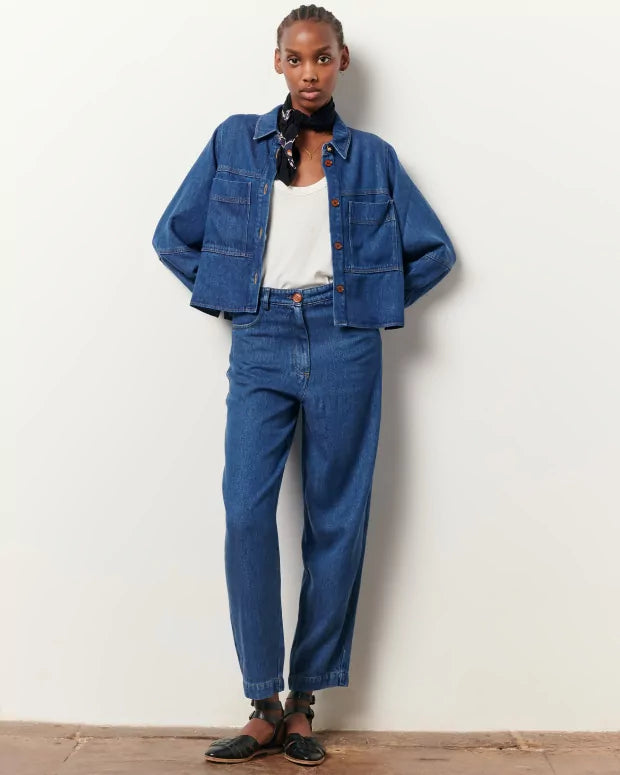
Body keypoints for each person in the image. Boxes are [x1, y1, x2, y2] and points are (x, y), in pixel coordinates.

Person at [152, 4, 456, 767]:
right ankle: (261, 701)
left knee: (336, 521)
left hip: (344, 338)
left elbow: (435, 251)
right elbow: (172, 235)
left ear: (342, 61)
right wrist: (230, 293)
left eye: (322, 58)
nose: (309, 72)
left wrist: (371, 302)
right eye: (296, 58)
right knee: (246, 511)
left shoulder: (373, 158)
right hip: (260, 338)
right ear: (277, 62)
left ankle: (302, 704)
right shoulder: (234, 142)